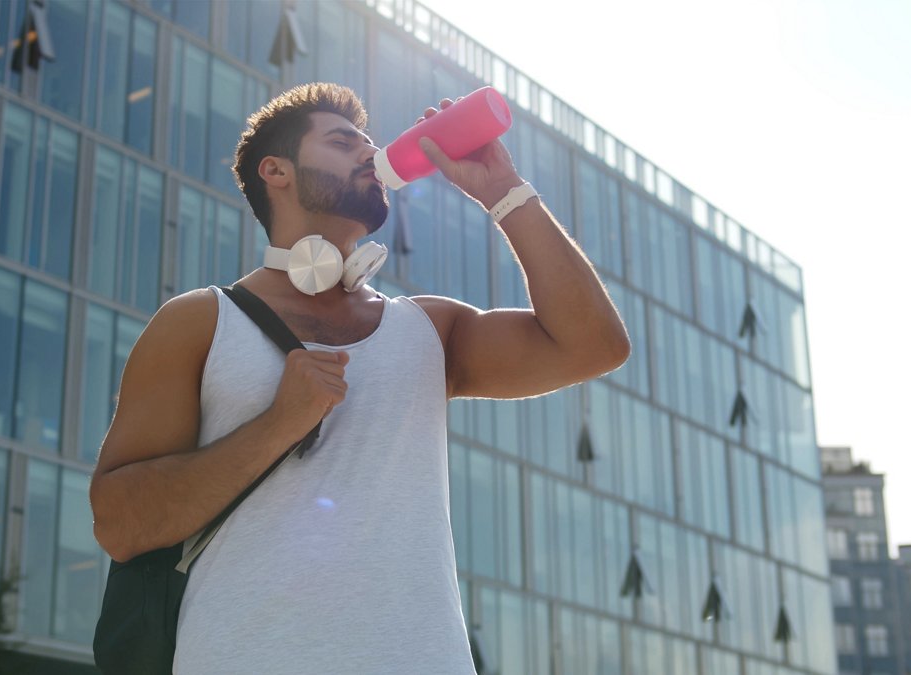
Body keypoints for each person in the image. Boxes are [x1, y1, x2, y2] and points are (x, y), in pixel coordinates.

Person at [89, 83, 630, 673]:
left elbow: (594, 347)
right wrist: (278, 425)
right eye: (344, 142)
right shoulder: (199, 321)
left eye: (371, 145)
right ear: (277, 171)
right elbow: (121, 524)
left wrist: (505, 193)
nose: (369, 156)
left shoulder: (430, 328)